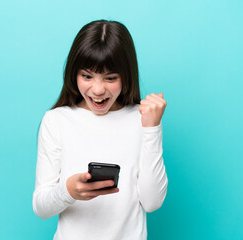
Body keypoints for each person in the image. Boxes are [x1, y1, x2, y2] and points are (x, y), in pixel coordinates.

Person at [32, 19, 168, 240]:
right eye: (87, 76)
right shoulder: (57, 121)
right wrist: (68, 191)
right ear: (73, 74)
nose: (97, 89)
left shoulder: (141, 119)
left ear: (126, 76)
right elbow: (41, 207)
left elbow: (152, 203)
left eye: (110, 78)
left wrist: (152, 128)